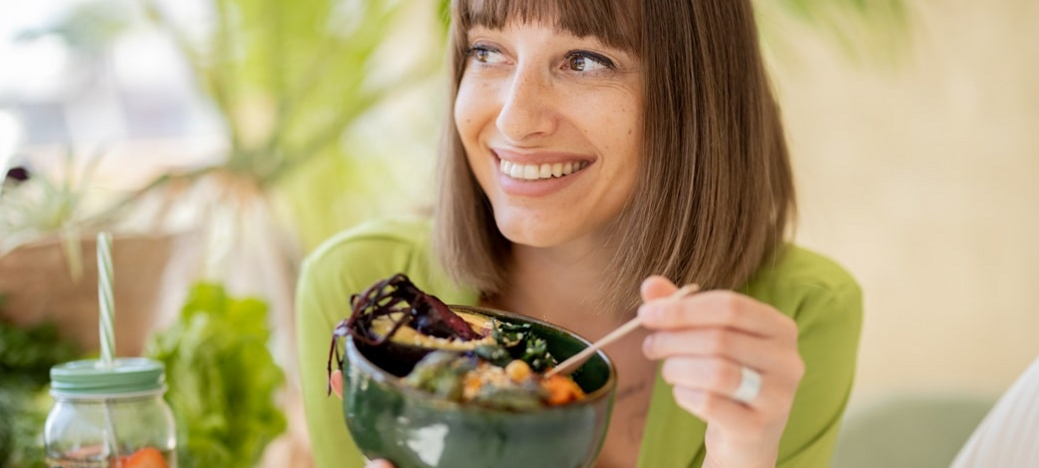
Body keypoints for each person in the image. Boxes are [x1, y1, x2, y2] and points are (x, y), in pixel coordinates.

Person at [295, 0, 862, 467]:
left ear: (697, 96)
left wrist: (744, 452)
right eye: (488, 51)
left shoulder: (796, 316)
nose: (516, 120)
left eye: (585, 60)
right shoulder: (355, 289)